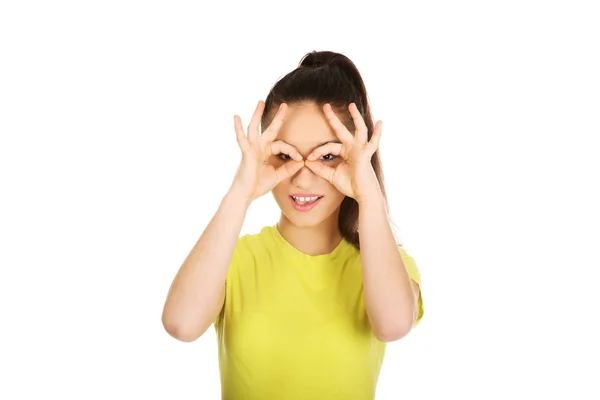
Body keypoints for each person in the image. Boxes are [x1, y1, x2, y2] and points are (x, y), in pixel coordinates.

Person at [161, 50, 424, 400]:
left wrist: (368, 195)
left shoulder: (385, 266)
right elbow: (181, 324)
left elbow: (393, 324)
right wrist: (241, 192)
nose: (302, 178)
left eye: (327, 156)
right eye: (285, 155)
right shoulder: (233, 261)